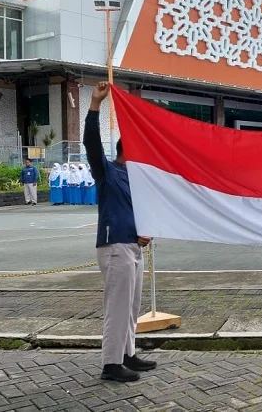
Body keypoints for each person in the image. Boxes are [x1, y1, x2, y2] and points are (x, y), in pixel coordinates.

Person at [84, 81, 155, 383]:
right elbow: (91, 144)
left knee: (131, 305)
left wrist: (145, 232)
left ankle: (127, 353)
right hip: (114, 246)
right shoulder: (108, 171)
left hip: (133, 247)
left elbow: (141, 212)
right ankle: (111, 364)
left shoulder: (136, 179)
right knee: (117, 305)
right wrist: (95, 105)